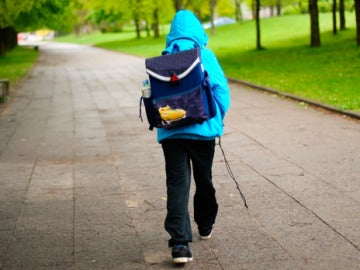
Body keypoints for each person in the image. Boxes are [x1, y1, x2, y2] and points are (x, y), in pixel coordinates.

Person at [158, 10, 230, 264]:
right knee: (204, 178)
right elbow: (222, 92)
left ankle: (179, 245)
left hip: (172, 133)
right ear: (199, 32)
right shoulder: (206, 56)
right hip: (203, 132)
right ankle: (205, 223)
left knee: (177, 185)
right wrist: (217, 118)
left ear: (172, 33)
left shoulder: (164, 59)